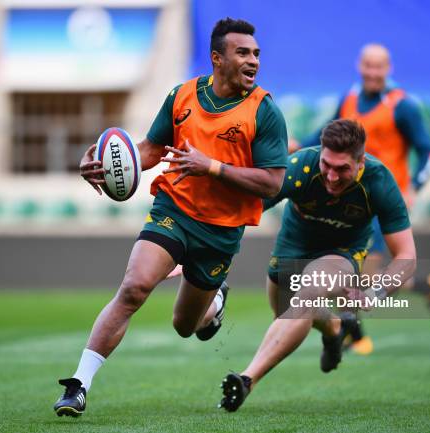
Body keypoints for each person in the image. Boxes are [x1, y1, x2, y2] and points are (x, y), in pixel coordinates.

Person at [53, 17, 288, 417]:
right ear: (217, 58)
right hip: (173, 210)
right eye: (243, 53)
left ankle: (215, 300)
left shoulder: (264, 111)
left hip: (220, 232)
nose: (253, 61)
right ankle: (78, 385)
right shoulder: (181, 97)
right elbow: (150, 149)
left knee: (185, 325)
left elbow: (271, 182)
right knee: (134, 287)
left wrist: (211, 167)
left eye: (256, 54)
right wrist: (106, 166)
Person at [218, 119, 417, 412]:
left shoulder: (379, 181)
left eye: (343, 169)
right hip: (293, 244)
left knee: (308, 294)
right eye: (327, 165)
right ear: (320, 153)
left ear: (361, 162)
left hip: (342, 252)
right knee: (286, 315)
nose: (333, 177)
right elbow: (243, 212)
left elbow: (406, 256)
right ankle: (335, 327)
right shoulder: (300, 166)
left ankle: (247, 379)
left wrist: (377, 292)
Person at [299, 44, 430, 355]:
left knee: (361, 276)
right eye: (368, 65)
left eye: (379, 66)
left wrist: (414, 187)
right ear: (359, 66)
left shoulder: (401, 105)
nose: (373, 72)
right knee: (362, 276)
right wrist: (297, 148)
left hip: (381, 202)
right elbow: (326, 136)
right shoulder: (350, 99)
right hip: (350, 198)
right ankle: (427, 289)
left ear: (388, 68)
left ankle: (355, 335)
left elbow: (427, 150)